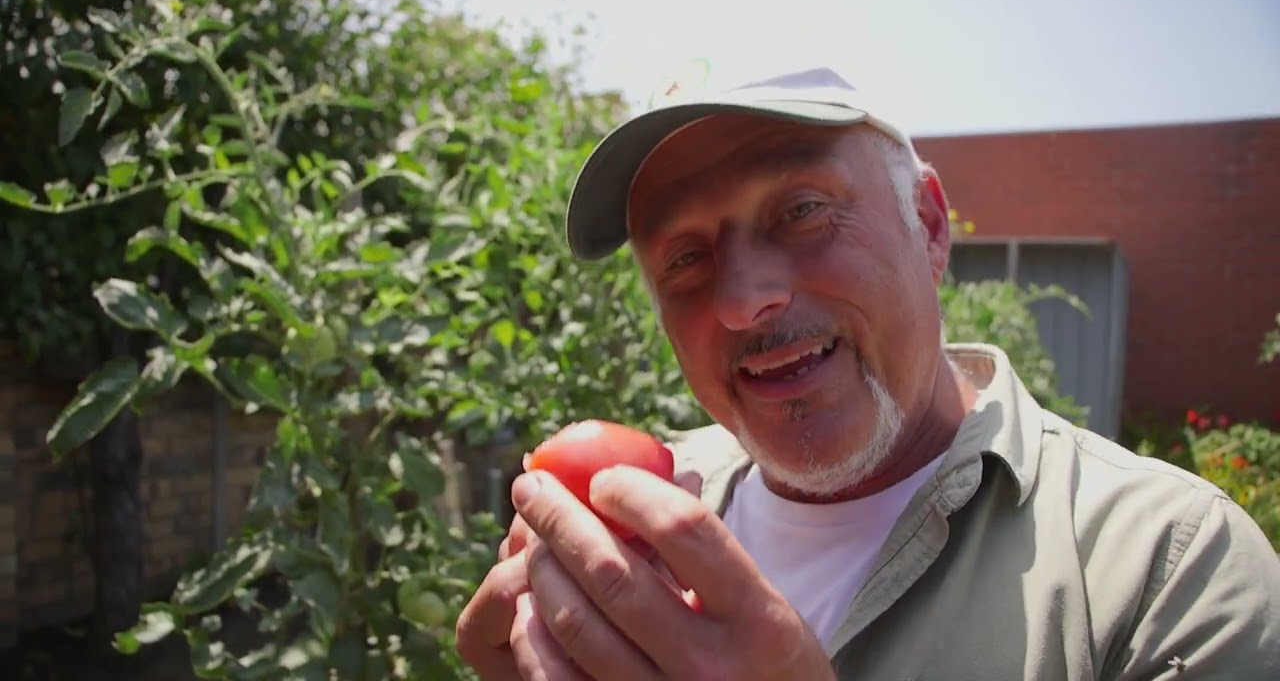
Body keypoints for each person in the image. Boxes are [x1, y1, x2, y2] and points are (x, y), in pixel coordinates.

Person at [454, 61, 1280, 680]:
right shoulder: (628, 518)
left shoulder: (1168, 574)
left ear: (927, 225)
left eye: (803, 211)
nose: (744, 300)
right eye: (686, 258)